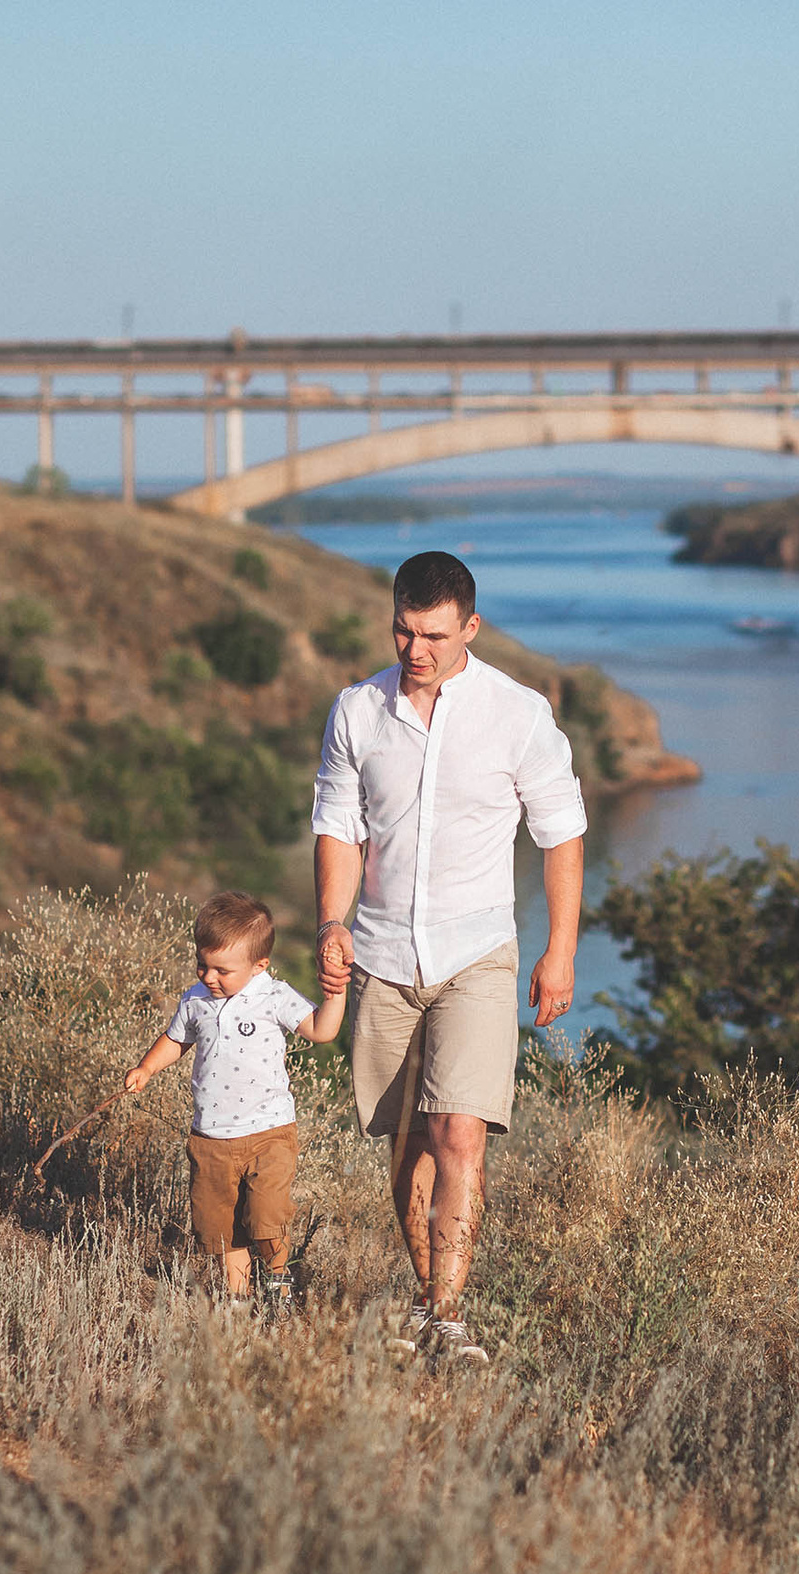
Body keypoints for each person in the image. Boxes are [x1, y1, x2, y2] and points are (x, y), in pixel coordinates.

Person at [312, 550, 587, 1362]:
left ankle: (447, 1318)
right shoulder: (358, 711)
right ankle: (428, 1299)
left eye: (434, 634)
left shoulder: (519, 714)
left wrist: (559, 951)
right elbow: (337, 826)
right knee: (407, 1149)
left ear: (471, 626)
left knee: (459, 1133)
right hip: (385, 957)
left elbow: (563, 834)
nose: (415, 650)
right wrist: (332, 921)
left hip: (478, 956)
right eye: (403, 630)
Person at [125, 890, 345, 1312]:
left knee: (266, 1216)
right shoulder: (195, 999)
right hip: (210, 1136)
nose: (209, 977)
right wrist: (147, 1068)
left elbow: (320, 1030)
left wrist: (335, 995)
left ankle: (279, 1281)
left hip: (269, 1131)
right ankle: (238, 1298)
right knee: (221, 1226)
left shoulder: (273, 996)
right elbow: (175, 1040)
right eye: (202, 965)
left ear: (258, 965)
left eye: (222, 970)